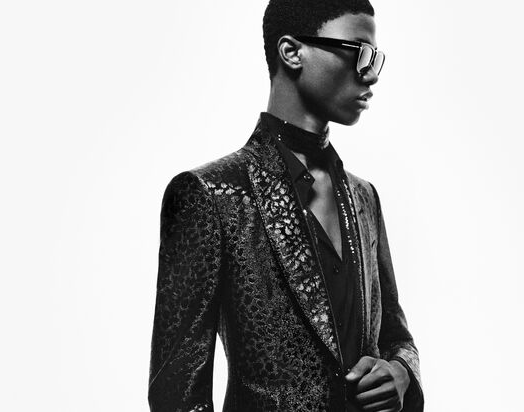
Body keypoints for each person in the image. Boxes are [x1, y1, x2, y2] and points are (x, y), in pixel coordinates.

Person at [149, 0, 422, 410]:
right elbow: (176, 395)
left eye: (376, 57)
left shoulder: (365, 197)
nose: (371, 73)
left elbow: (396, 338)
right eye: (359, 52)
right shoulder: (210, 194)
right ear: (292, 52)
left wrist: (401, 372)